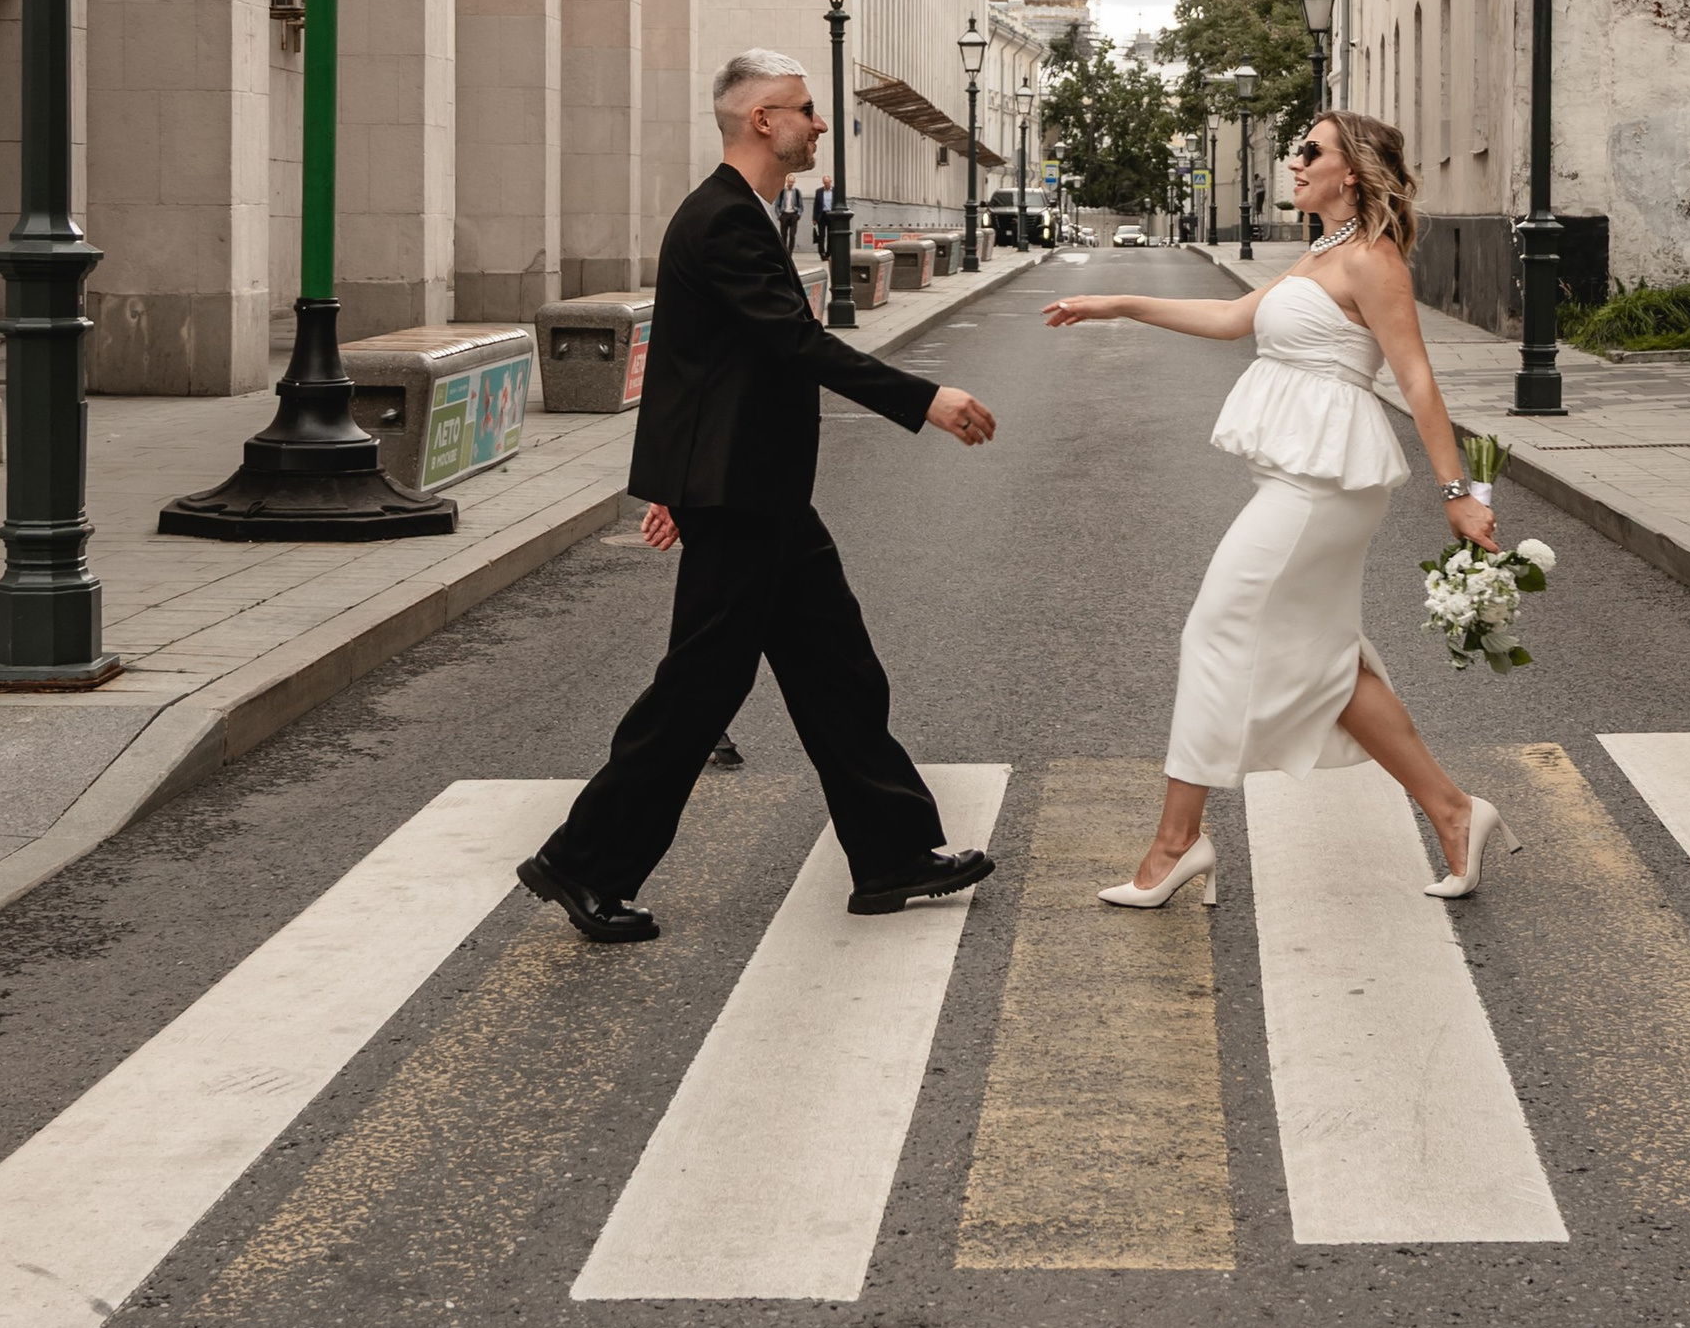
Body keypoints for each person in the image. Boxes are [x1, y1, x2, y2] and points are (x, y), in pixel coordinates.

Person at [518, 52, 999, 943]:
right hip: (741, 498)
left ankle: (892, 854)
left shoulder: (746, 216)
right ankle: (584, 861)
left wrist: (672, 484)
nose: (821, 125)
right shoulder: (723, 221)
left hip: (757, 491)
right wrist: (924, 398)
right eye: (807, 112)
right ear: (762, 121)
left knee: (839, 673)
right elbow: (790, 347)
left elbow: (701, 365)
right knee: (700, 692)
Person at [1043, 108, 1508, 902]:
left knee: (1217, 629)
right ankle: (1454, 810)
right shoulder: (1321, 250)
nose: (1294, 163)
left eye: (1310, 152)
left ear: (1350, 173)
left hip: (1323, 485)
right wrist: (1119, 302)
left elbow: (1417, 377)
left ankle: (1174, 845)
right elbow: (1231, 320)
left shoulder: (1372, 258)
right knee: (1327, 657)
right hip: (1303, 478)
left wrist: (1458, 494)